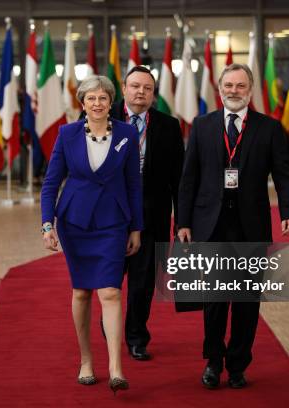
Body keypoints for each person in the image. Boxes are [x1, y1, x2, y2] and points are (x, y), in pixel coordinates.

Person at [177, 64, 289, 389]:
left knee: (246, 303)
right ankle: (213, 363)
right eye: (228, 84)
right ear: (219, 88)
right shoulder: (202, 126)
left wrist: (288, 211)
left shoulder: (269, 129)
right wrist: (183, 221)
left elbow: (285, 174)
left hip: (252, 226)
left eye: (240, 85)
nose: (233, 90)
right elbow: (188, 178)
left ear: (250, 89)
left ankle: (238, 365)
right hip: (210, 225)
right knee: (215, 302)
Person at [40, 75, 143, 395]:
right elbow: (51, 183)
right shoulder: (67, 134)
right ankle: (86, 360)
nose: (97, 103)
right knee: (82, 292)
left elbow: (133, 184)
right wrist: (47, 224)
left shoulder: (126, 132)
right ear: (81, 103)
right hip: (75, 223)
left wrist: (136, 227)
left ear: (111, 101)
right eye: (91, 98)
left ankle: (116, 368)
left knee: (110, 291)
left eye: (103, 98)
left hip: (113, 222)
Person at [109, 66, 184, 361]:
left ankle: (137, 337)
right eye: (135, 86)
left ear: (154, 94)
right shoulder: (103, 114)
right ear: (124, 88)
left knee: (142, 284)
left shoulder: (168, 126)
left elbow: (179, 177)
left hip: (152, 216)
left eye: (147, 88)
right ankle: (111, 330)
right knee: (109, 280)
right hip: (109, 217)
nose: (140, 92)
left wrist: (183, 220)